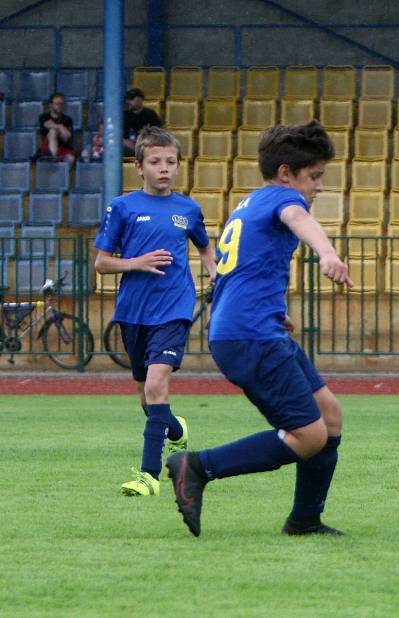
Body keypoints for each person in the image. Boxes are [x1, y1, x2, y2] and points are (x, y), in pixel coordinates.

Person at [165, 121, 353, 538]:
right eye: (315, 177)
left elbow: (232, 273)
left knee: (330, 416)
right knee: (308, 436)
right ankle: (197, 466)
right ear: (287, 173)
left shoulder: (249, 203)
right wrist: (326, 253)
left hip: (252, 328)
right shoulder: (285, 200)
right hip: (250, 335)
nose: (319, 187)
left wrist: (269, 309)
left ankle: (305, 519)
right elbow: (296, 217)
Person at [94, 126, 217, 496]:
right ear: (139, 167)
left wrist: (218, 277)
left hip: (174, 308)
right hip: (133, 312)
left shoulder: (188, 209)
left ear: (178, 166)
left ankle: (149, 475)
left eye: (171, 162)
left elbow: (206, 249)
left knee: (155, 383)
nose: (164, 168)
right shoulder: (122, 207)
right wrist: (136, 262)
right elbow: (101, 263)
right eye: (155, 161)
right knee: (147, 398)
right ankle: (176, 431)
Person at [123, 87, 162, 157]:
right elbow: (122, 138)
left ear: (140, 99)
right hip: (129, 148)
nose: (128, 101)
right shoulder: (124, 115)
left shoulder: (150, 114)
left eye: (131, 99)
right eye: (127, 99)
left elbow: (158, 134)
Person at [38, 92, 75, 163]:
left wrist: (60, 130)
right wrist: (61, 127)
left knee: (71, 158)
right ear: (51, 105)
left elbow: (66, 137)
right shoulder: (44, 117)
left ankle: (60, 169)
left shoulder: (67, 119)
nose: (60, 106)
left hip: (62, 148)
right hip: (47, 149)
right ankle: (53, 158)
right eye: (57, 103)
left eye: (61, 103)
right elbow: (47, 124)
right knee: (53, 131)